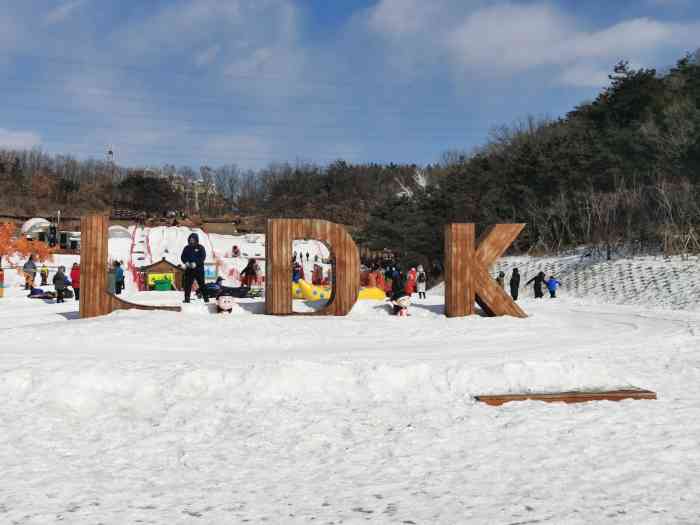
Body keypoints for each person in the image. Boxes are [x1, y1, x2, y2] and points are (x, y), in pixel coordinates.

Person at [180, 233, 207, 303]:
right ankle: (187, 298)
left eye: (193, 239)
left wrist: (196, 263)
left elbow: (203, 257)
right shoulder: (186, 248)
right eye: (190, 239)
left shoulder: (201, 247)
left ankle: (206, 298)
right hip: (189, 269)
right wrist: (186, 262)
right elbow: (183, 257)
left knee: (202, 284)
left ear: (196, 240)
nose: (191, 241)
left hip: (199, 269)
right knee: (187, 285)